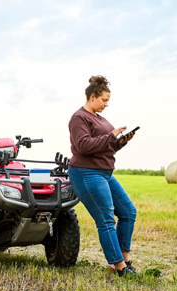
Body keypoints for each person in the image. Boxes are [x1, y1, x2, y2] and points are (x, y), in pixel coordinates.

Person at [67, 75, 138, 277]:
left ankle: (125, 259)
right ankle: (120, 268)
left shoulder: (100, 118)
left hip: (105, 172)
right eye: (104, 100)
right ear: (92, 97)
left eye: (108, 101)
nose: (107, 104)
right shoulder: (79, 118)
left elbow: (106, 146)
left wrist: (120, 141)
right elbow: (83, 145)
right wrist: (110, 136)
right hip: (86, 172)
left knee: (128, 212)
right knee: (106, 220)